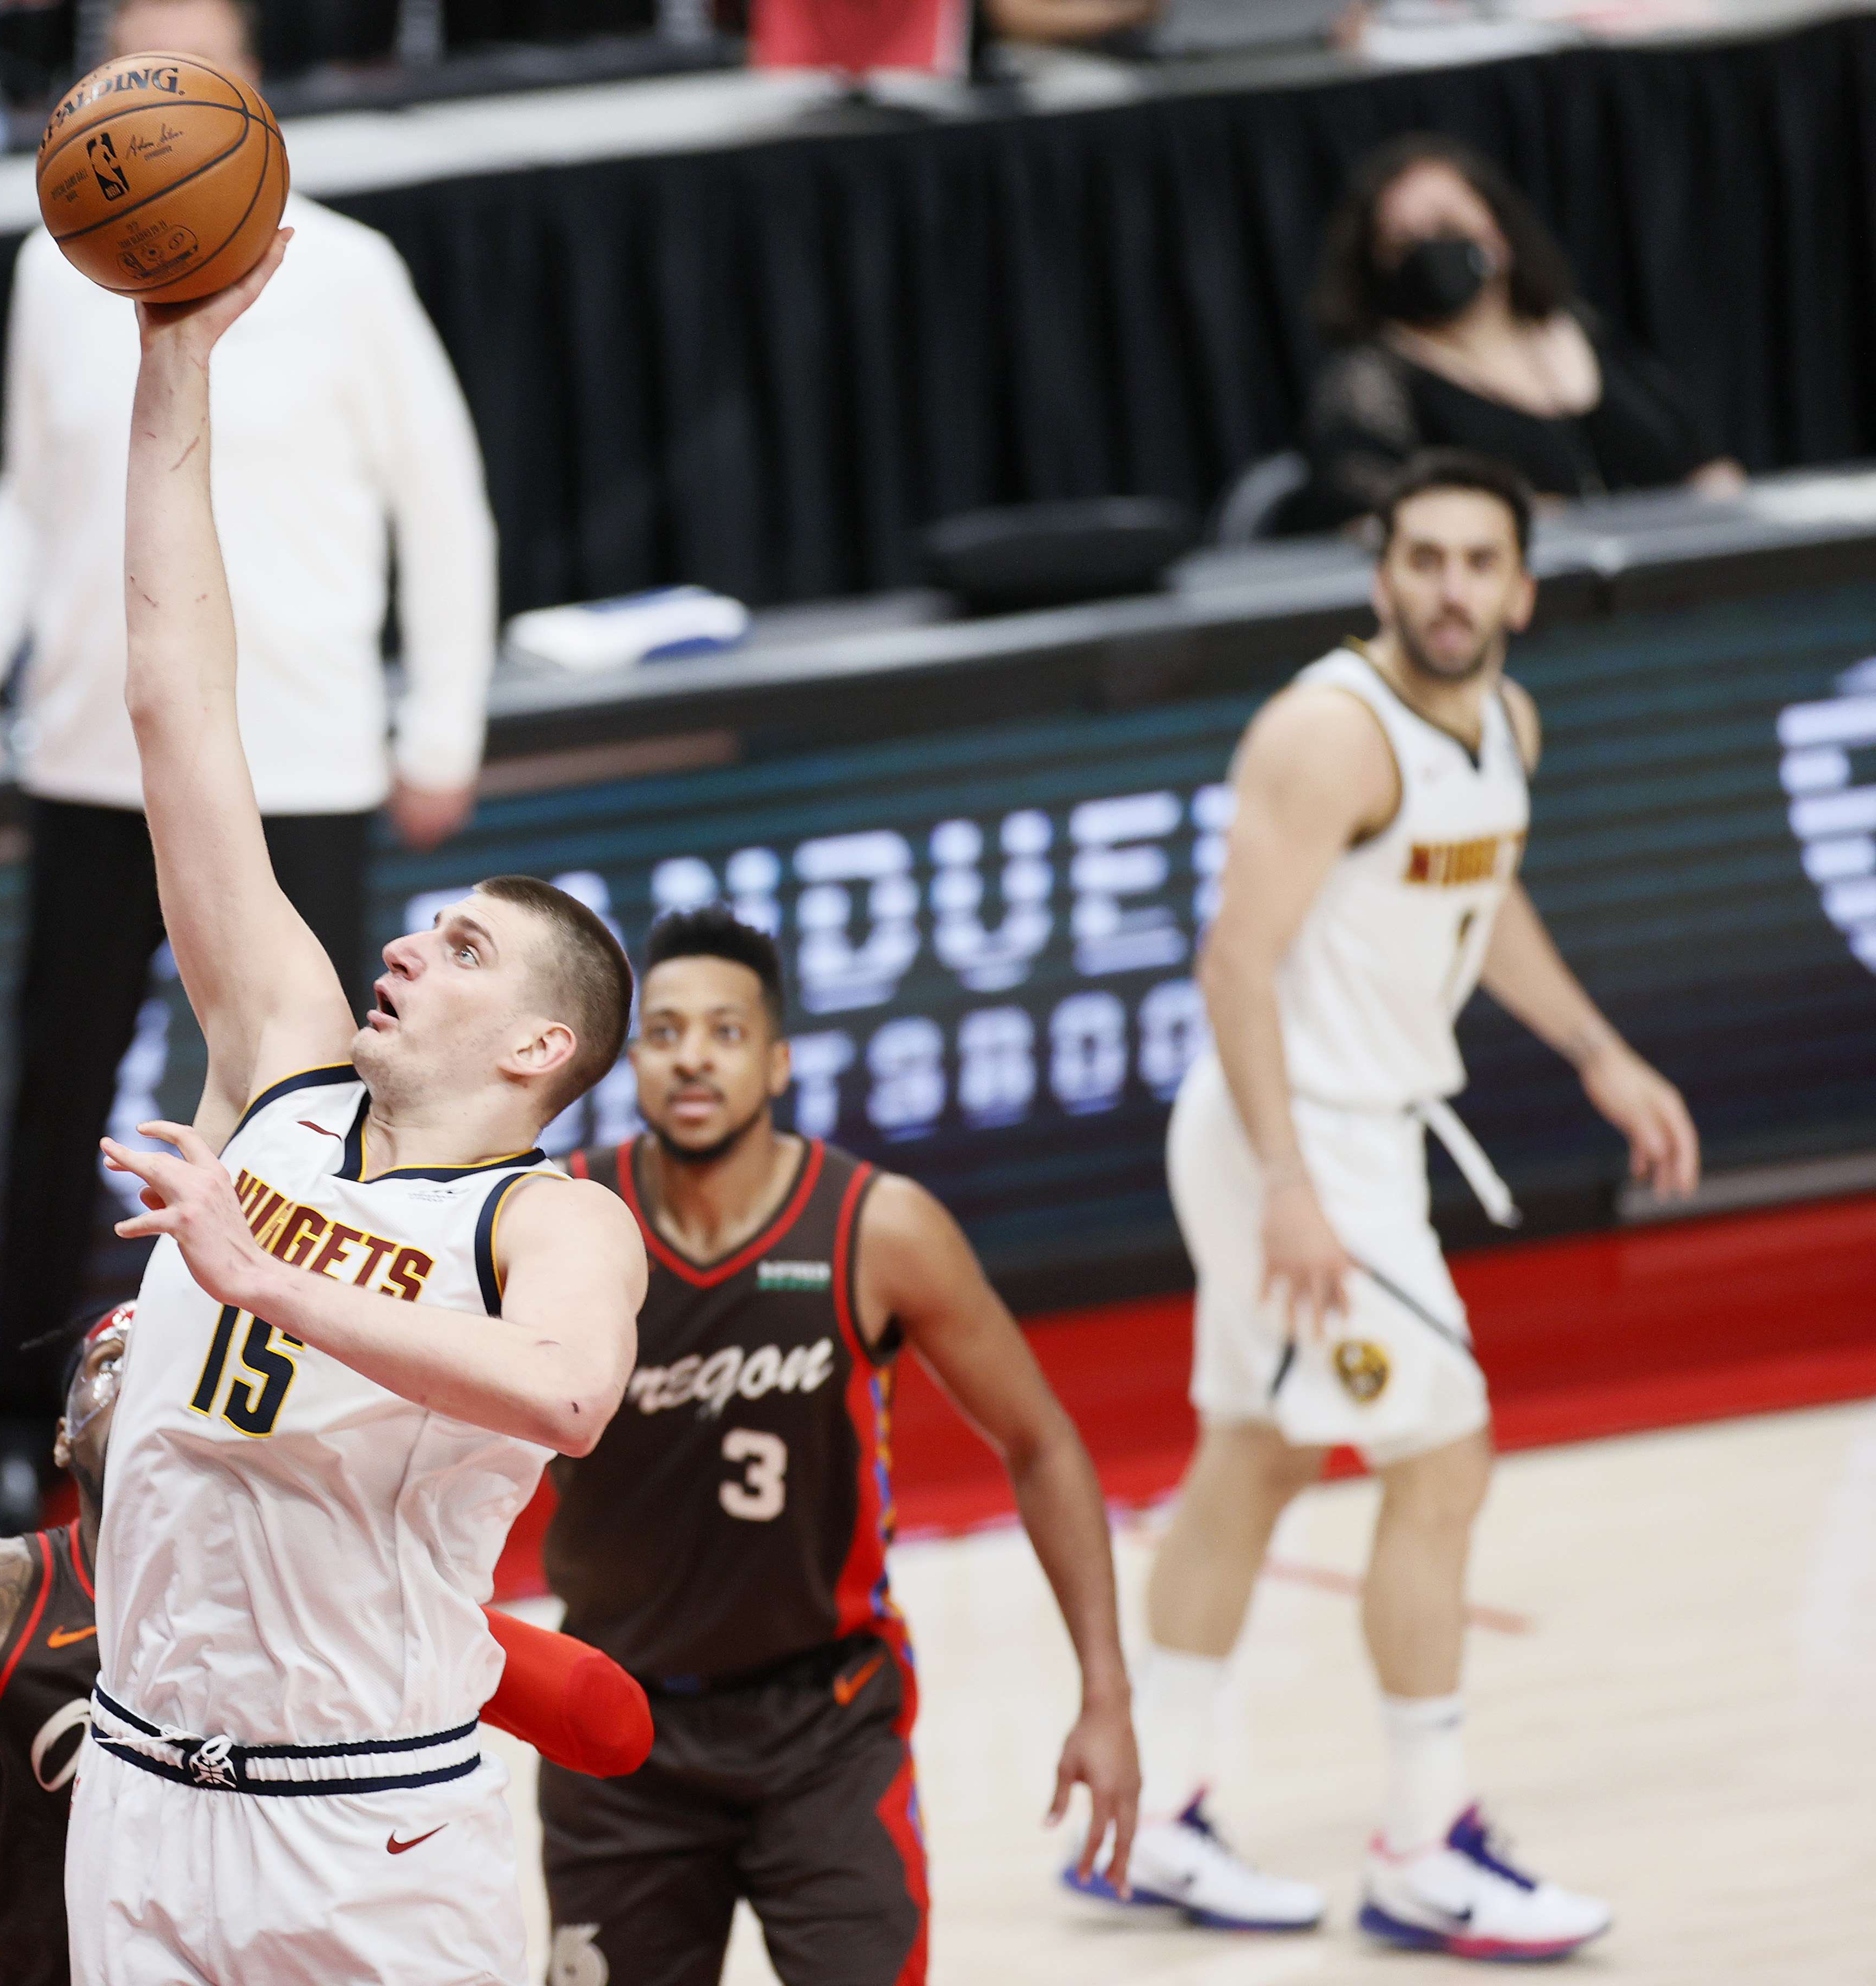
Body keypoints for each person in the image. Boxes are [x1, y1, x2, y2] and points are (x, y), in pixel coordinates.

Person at [51, 231, 647, 1984]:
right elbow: (179, 703)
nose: (405, 941)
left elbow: (566, 1395)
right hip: (147, 1793)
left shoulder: (553, 1219)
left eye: (461, 947)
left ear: (537, 1048)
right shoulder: (284, 1068)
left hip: (372, 1826)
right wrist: (176, 363)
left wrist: (275, 1283)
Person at [1078, 450, 1697, 1957]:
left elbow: (1482, 900)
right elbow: (1233, 962)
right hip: (1300, 1142)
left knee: (1259, 1457)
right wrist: (1290, 1184)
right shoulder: (1327, 734)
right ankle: (1425, 1847)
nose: (1450, 587)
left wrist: (1601, 1053)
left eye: (1479, 562)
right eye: (1423, 558)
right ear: (1383, 575)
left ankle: (1148, 1820)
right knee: (1443, 1456)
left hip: (1344, 1138)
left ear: (1521, 588)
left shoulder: (1505, 724)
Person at [0, 0, 499, 1536]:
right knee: (60, 1103)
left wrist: (442, 719)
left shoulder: (352, 271)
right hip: (100, 753)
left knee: (306, 1107)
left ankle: (302, 1403)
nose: (165, 85)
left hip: (302, 754)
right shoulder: (63, 268)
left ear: (245, 93)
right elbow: (31, 499)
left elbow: (446, 507)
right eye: (137, 58)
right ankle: (18, 1430)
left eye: (198, 60)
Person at [0, 1304, 654, 1986]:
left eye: (169, 1356)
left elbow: (608, 1724)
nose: (139, 1383)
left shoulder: (327, 1580)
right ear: (60, 1436)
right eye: (106, 1365)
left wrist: (437, 1617)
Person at [539, 907, 1141, 1986]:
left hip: (825, 1725)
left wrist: (1106, 1696)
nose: (692, 1057)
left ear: (776, 1062)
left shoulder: (879, 1227)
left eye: (724, 1033)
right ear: (632, 1062)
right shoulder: (565, 1217)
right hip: (617, 1726)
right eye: (666, 1031)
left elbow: (1040, 1440)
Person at [1295, 134, 1745, 531]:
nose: (1430, 249)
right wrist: (1493, 519)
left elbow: (1694, 450)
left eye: (1446, 225)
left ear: (1498, 233)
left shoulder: (1575, 327)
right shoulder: (1374, 378)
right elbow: (1360, 506)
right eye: (1402, 243)